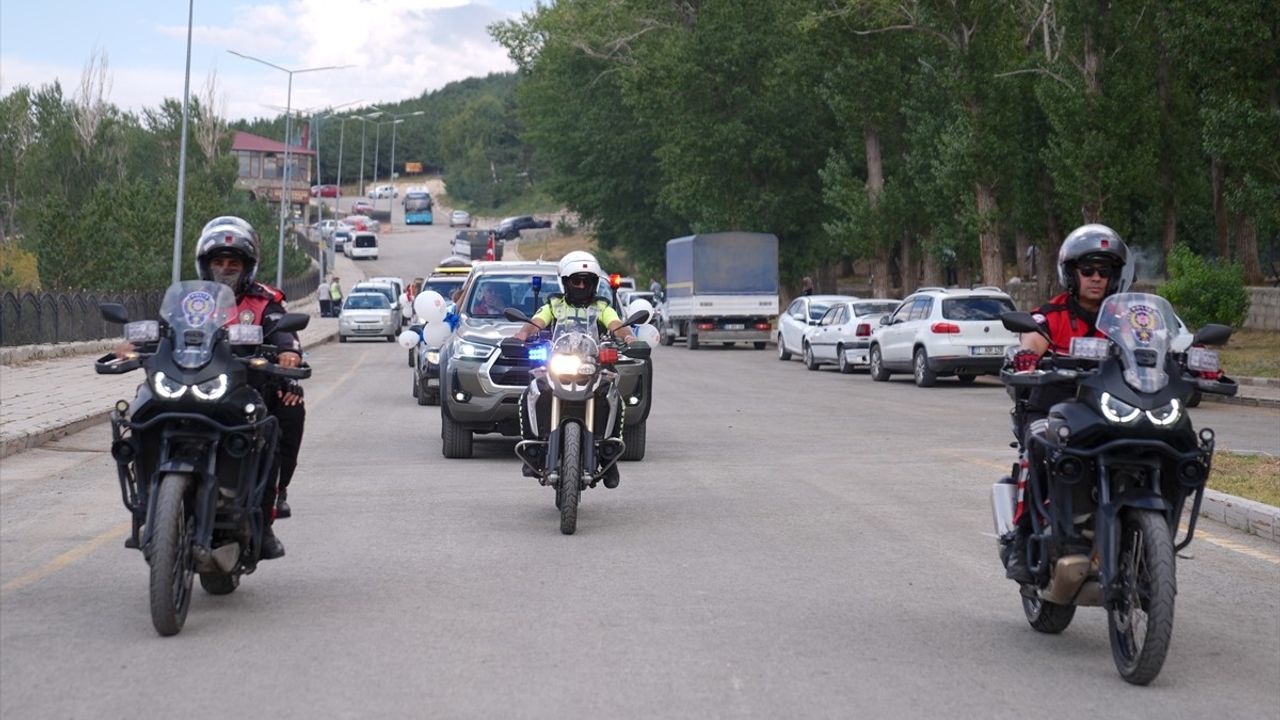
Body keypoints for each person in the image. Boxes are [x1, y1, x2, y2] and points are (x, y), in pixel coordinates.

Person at [1001, 223, 1133, 583]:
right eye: (1087, 269)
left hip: (1110, 411)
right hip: (1054, 408)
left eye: (1103, 271)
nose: (1095, 278)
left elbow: (1159, 344)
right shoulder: (1053, 315)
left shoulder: (1126, 321)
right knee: (1042, 450)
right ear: (1071, 273)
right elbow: (1031, 339)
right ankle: (1022, 541)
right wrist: (1026, 357)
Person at [511, 251, 637, 488]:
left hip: (592, 366)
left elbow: (616, 325)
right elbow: (535, 322)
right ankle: (531, 449)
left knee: (614, 398)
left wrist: (629, 338)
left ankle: (610, 453)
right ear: (566, 282)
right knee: (531, 393)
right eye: (576, 280)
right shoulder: (554, 305)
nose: (581, 285)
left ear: (594, 284)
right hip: (558, 363)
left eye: (586, 281)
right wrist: (522, 334)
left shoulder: (602, 307)